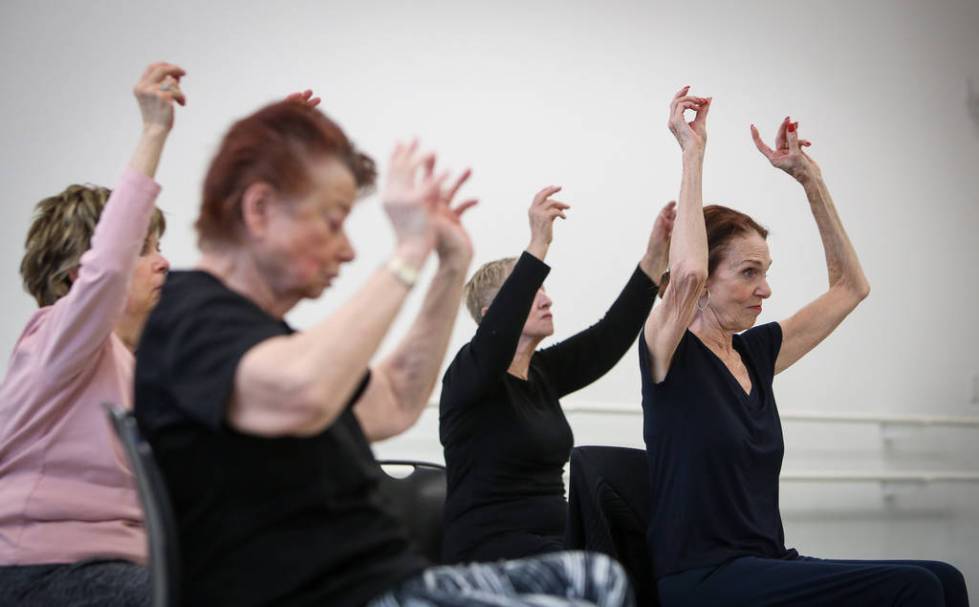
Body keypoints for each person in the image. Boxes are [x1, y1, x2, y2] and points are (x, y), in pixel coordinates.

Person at [133, 97, 635, 607]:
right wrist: (407, 253)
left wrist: (448, 265)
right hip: (332, 596)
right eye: (332, 221)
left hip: (393, 580)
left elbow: (395, 399)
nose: (347, 249)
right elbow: (301, 392)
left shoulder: (269, 342)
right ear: (259, 209)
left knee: (601, 580)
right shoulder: (188, 314)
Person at [639, 86, 969, 607]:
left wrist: (809, 179)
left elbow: (850, 287)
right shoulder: (667, 353)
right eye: (749, 273)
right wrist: (693, 151)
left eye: (766, 273)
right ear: (704, 285)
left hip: (767, 565)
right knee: (916, 588)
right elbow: (686, 270)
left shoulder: (755, 355)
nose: (764, 290)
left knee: (945, 578)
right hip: (700, 578)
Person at [0, 62, 181, 606]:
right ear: (81, 275)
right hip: (42, 573)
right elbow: (108, 264)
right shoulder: (56, 336)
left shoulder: (135, 365)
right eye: (143, 250)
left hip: (113, 574)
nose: (164, 263)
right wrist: (154, 130)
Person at [439, 186, 674, 563]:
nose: (546, 298)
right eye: (533, 291)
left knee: (647, 552)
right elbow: (495, 341)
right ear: (491, 312)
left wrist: (655, 256)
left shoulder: (542, 373)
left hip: (555, 540)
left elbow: (607, 338)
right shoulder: (469, 376)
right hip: (490, 550)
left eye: (544, 289)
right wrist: (538, 243)